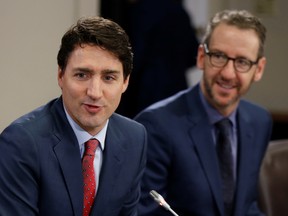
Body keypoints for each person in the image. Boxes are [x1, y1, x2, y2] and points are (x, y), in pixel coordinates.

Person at [0, 16, 147, 216]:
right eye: (82, 75)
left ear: (125, 82)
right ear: (61, 75)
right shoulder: (21, 143)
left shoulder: (135, 137)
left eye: (109, 77)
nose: (95, 92)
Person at [135, 9, 272, 216]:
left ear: (259, 69)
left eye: (242, 62)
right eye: (218, 56)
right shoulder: (156, 125)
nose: (227, 73)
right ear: (201, 57)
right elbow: (146, 213)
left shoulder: (259, 121)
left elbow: (246, 206)